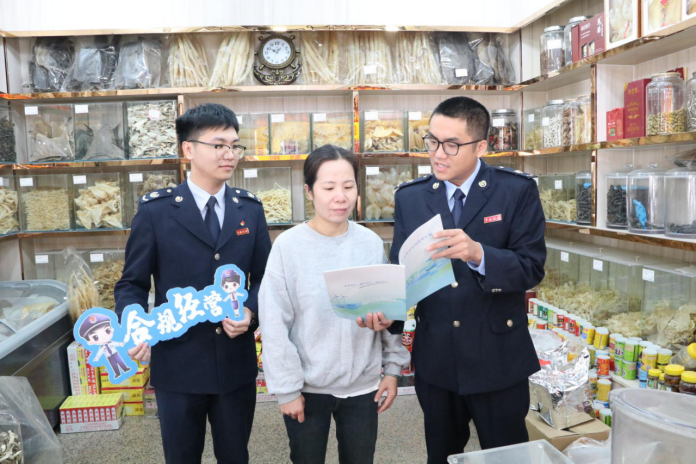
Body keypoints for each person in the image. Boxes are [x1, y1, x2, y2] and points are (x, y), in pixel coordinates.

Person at [359, 97, 546, 462]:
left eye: (451, 145)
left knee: (507, 456)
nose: (438, 154)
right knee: (442, 454)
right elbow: (404, 273)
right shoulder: (411, 198)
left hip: (498, 357)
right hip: (438, 358)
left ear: (481, 146)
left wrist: (479, 254)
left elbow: (531, 268)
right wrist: (387, 315)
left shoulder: (515, 191)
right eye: (432, 141)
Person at [114, 103, 272, 464]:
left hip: (234, 364)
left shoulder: (249, 209)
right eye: (219, 145)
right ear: (189, 149)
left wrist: (251, 310)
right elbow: (131, 283)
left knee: (236, 455)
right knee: (182, 457)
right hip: (178, 366)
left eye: (235, 145)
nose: (229, 154)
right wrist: (133, 323)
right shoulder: (156, 212)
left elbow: (265, 276)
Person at [258, 145, 410, 464]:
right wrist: (286, 390)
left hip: (363, 387)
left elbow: (390, 311)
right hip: (307, 388)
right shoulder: (288, 247)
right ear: (309, 191)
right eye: (328, 188)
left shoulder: (369, 243)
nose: (340, 197)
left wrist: (393, 370)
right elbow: (273, 322)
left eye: (348, 186)